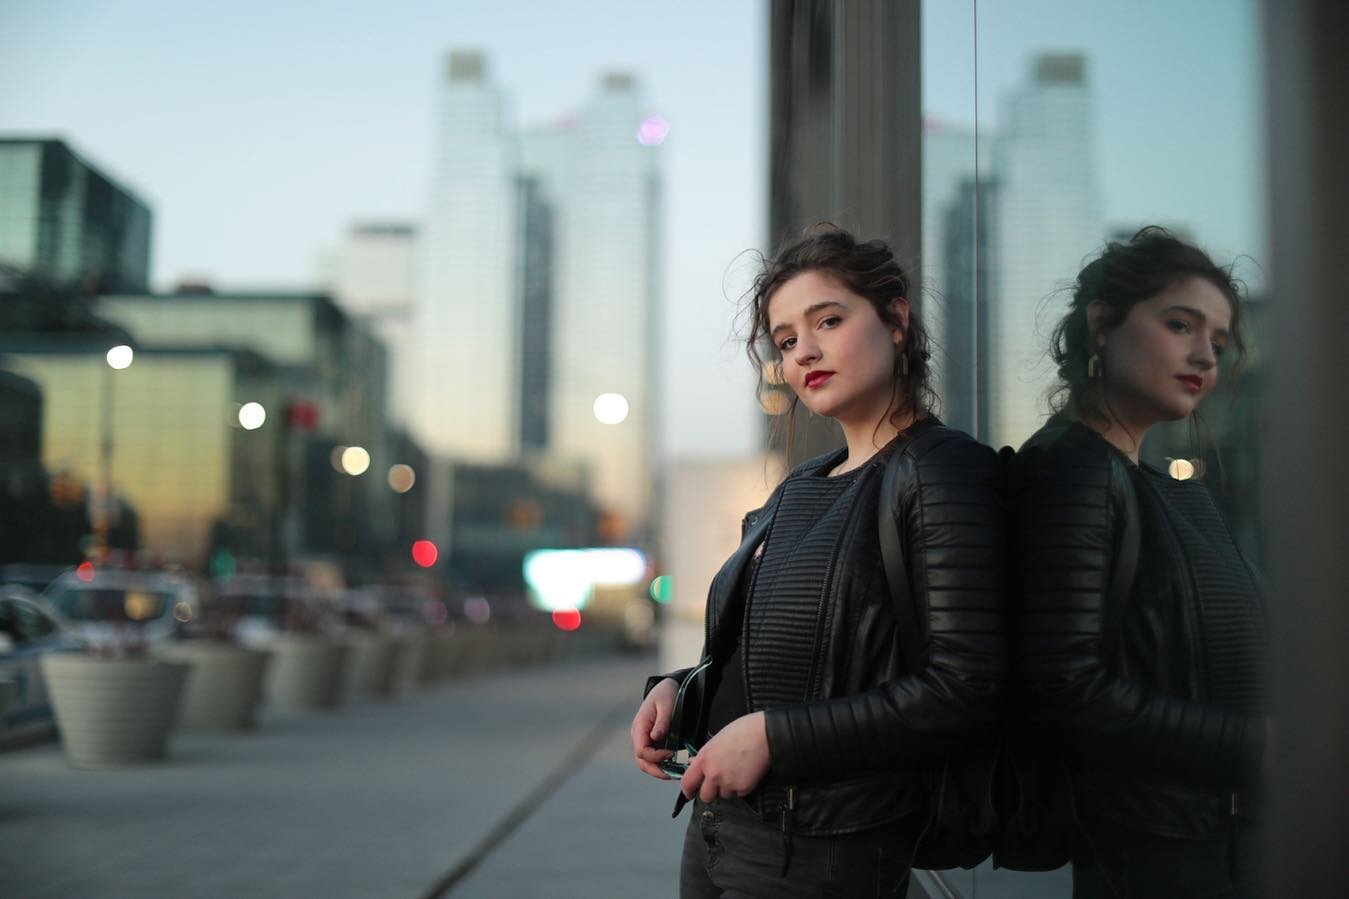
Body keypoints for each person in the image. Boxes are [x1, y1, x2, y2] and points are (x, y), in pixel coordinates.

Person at [629, 226, 1005, 897]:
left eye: (827, 319)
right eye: (785, 339)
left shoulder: (941, 471)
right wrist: (681, 691)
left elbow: (964, 685)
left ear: (894, 317)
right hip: (721, 833)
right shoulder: (802, 485)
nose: (805, 349)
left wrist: (776, 737)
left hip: (828, 849)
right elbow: (784, 657)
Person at [1013, 227, 1268, 898]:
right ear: (1101, 324)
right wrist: (1260, 743)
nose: (1203, 355)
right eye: (1179, 324)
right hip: (1155, 858)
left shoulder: (1149, 482)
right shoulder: (1072, 472)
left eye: (1216, 341)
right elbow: (1066, 688)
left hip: (1211, 842)